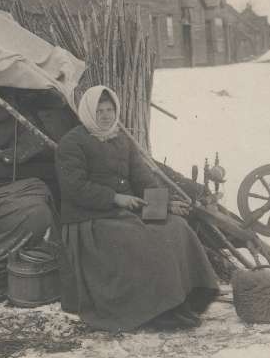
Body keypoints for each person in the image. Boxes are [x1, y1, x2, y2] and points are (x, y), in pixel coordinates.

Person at [55, 85, 219, 331]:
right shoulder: (72, 144)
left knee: (176, 227)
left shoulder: (121, 140)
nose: (106, 115)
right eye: (99, 110)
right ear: (88, 112)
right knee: (146, 239)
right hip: (89, 219)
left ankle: (187, 298)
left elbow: (143, 179)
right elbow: (75, 188)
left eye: (110, 109)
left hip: (123, 212)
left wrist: (164, 205)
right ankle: (156, 310)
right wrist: (115, 198)